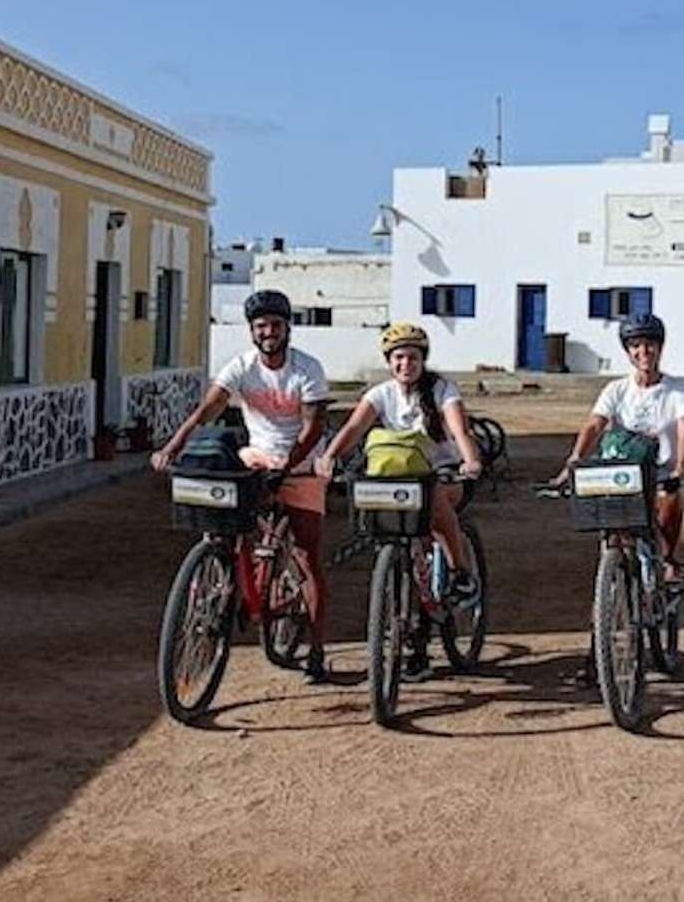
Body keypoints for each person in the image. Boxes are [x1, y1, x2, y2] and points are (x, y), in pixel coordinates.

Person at [151, 289, 332, 680]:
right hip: (258, 456)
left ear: (287, 328)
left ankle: (316, 648)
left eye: (275, 325)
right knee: (225, 523)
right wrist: (172, 446)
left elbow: (313, 423)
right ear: (252, 331)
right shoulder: (242, 366)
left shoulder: (307, 369)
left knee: (305, 554)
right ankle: (224, 579)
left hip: (301, 462)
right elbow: (209, 409)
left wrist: (291, 462)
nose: (269, 332)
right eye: (261, 326)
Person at [314, 323, 484, 680]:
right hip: (397, 481)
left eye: (413, 357)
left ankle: (459, 571)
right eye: (399, 358)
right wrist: (329, 457)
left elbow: (458, 430)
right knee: (397, 549)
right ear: (389, 362)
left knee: (435, 502)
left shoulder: (442, 390)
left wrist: (470, 461)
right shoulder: (380, 394)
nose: (406, 364)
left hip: (444, 474)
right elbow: (352, 430)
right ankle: (405, 631)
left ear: (423, 360)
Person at [554, 313, 684, 584]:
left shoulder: (678, 391)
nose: (643, 352)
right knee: (611, 518)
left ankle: (669, 559)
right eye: (635, 346)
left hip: (661, 470)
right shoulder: (616, 389)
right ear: (627, 351)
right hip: (623, 469)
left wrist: (681, 465)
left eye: (649, 345)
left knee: (670, 501)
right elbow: (595, 425)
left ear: (660, 347)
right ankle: (615, 582)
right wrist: (575, 459)